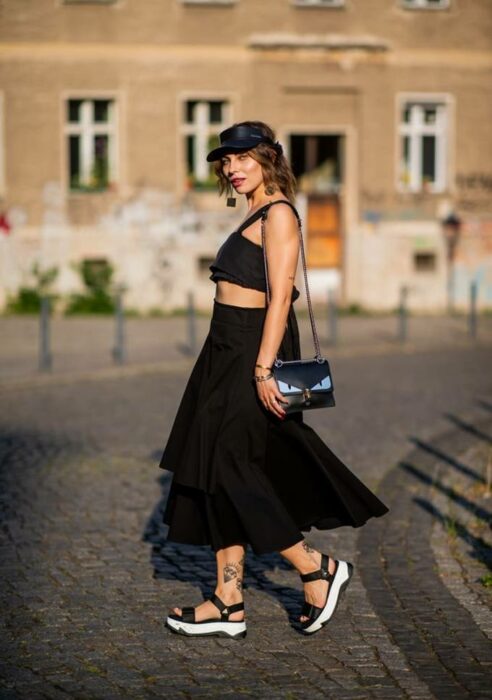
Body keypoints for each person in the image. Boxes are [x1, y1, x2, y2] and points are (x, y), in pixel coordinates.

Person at [159, 120, 389, 639]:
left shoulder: (280, 213)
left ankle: (315, 567)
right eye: (226, 160)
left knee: (231, 464)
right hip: (222, 350)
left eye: (243, 158)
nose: (232, 168)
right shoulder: (254, 213)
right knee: (213, 465)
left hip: (251, 349)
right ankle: (228, 598)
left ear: (268, 158)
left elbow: (281, 298)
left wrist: (262, 368)